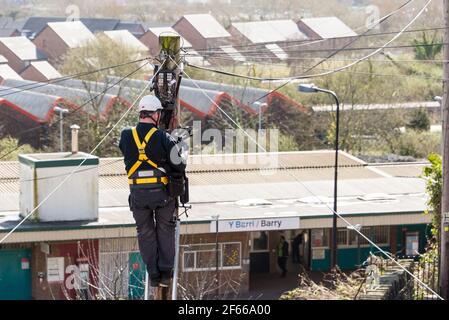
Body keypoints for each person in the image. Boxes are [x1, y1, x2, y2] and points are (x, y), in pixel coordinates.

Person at [119, 95, 186, 288]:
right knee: (165, 229)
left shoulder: (126, 135)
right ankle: (165, 273)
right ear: (156, 114)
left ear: (141, 113)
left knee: (145, 232)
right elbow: (179, 165)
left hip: (139, 195)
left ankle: (154, 275)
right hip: (162, 195)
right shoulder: (163, 138)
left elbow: (125, 150)